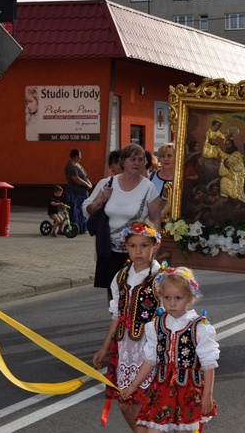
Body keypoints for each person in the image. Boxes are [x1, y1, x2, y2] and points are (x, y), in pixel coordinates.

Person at [123, 267, 219, 432]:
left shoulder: (199, 327)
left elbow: (208, 364)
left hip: (187, 390)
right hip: (161, 390)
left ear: (190, 298)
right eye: (167, 297)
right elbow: (150, 360)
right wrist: (133, 386)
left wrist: (207, 395)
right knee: (151, 430)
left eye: (178, 298)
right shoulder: (156, 326)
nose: (172, 303)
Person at [93, 221, 162, 431]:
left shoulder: (161, 278)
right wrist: (104, 347)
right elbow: (116, 314)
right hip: (123, 348)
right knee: (124, 403)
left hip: (150, 349)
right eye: (133, 245)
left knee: (143, 402)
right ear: (126, 246)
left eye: (144, 245)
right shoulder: (121, 276)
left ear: (155, 246)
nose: (138, 251)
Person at [83, 143, 162, 301]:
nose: (137, 163)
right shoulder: (108, 183)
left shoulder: (148, 187)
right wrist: (100, 200)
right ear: (123, 162)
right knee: (113, 290)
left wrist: (155, 244)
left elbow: (156, 218)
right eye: (133, 159)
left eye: (141, 160)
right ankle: (116, 321)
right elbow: (87, 210)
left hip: (136, 250)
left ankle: (132, 323)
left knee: (135, 291)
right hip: (108, 249)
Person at [64, 149, 93, 234]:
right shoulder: (71, 165)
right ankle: (76, 227)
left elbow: (84, 176)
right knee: (76, 210)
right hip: (75, 192)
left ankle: (82, 227)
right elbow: (76, 178)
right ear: (76, 156)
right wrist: (87, 185)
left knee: (82, 209)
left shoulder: (77, 165)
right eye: (80, 156)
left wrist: (89, 183)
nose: (80, 157)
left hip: (82, 192)